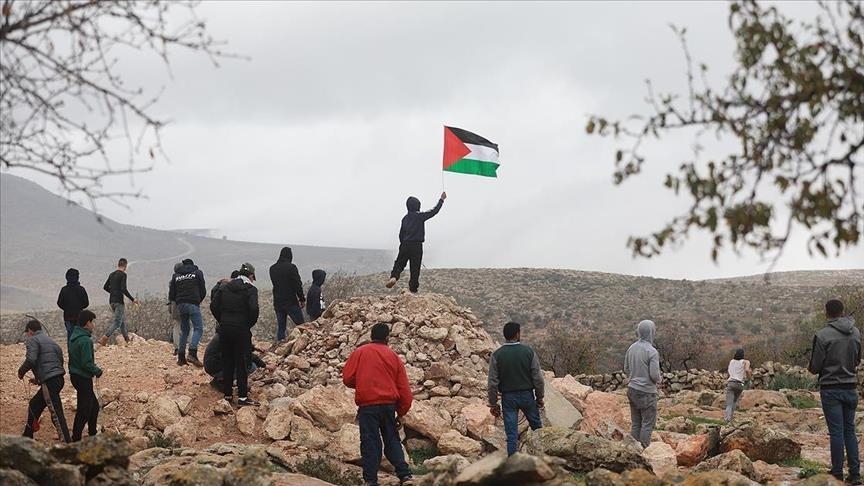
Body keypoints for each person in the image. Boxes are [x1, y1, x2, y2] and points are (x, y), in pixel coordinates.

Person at [342, 323, 413, 486]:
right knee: (392, 439)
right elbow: (404, 389)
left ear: (371, 336)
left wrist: (362, 383)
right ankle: (405, 475)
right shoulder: (393, 356)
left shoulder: (360, 352)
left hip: (368, 406)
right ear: (387, 338)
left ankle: (371, 481)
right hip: (389, 406)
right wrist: (401, 412)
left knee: (370, 442)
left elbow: (347, 378)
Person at [808, 299, 860, 484]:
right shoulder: (856, 333)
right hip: (851, 388)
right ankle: (855, 474)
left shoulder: (822, 335)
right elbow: (857, 360)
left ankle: (837, 473)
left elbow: (814, 367)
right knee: (850, 431)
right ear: (843, 311)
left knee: (836, 432)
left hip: (830, 389)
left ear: (826, 313)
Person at [487, 321, 544, 456]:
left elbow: (492, 383)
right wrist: (540, 397)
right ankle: (544, 459)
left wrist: (493, 403)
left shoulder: (497, 355)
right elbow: (538, 378)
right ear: (517, 334)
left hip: (508, 398)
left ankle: (513, 465)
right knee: (537, 429)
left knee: (511, 434)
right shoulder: (529, 352)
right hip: (527, 396)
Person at [210, 263, 260, 406]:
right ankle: (243, 397)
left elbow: (213, 306)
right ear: (250, 275)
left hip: (225, 328)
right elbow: (254, 309)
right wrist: (247, 324)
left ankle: (227, 395)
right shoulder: (250, 289)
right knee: (242, 362)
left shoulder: (225, 287)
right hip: (241, 329)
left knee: (227, 360)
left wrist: (222, 319)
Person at [18, 319, 71, 443]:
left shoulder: (32, 340)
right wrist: (38, 379)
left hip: (50, 380)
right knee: (34, 405)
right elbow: (56, 361)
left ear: (30, 331)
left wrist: (21, 372)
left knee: (56, 413)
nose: (27, 335)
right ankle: (27, 436)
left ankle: (67, 442)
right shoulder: (52, 341)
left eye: (27, 333)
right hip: (57, 379)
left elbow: (31, 359)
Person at [386, 192, 446, 293]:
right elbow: (433, 211)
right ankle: (413, 289)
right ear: (417, 206)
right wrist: (441, 199)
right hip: (416, 245)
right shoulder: (420, 216)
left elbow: (401, 234)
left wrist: (403, 244)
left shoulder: (404, 219)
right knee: (415, 268)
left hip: (405, 244)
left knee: (399, 263)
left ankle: (394, 277)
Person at [624, 319, 661, 448]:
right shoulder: (652, 351)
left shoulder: (631, 348)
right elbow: (655, 376)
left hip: (632, 389)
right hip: (647, 392)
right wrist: (659, 380)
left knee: (636, 424)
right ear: (651, 332)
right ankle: (644, 452)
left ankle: (632, 451)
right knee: (647, 424)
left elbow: (626, 369)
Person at [68, 310, 103, 442]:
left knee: (93, 406)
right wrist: (97, 371)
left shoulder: (74, 336)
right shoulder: (85, 341)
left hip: (76, 376)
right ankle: (76, 438)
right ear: (87, 323)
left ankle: (93, 432)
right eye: (92, 322)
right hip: (83, 377)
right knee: (85, 408)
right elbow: (86, 363)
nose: (93, 325)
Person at [169, 258, 207, 367]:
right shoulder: (197, 273)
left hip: (180, 305)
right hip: (193, 303)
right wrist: (197, 300)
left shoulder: (176, 276)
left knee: (184, 330)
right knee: (198, 328)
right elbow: (203, 290)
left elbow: (172, 294)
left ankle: (181, 357)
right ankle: (192, 352)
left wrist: (179, 301)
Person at [203, 332, 271, 390]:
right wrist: (265, 366)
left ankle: (221, 379)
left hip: (212, 365)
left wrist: (254, 347)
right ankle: (221, 381)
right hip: (214, 367)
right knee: (250, 366)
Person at [99, 258, 137, 346]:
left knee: (122, 320)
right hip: (119, 301)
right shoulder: (123, 275)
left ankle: (127, 340)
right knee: (117, 322)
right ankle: (104, 338)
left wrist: (113, 292)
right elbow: (124, 289)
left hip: (111, 301)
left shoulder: (111, 274)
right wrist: (132, 299)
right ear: (125, 266)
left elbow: (105, 287)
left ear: (118, 264)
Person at [269, 247, 305, 340]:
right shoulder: (291, 267)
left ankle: (280, 347)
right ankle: (305, 344)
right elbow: (297, 284)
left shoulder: (272, 268)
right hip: (291, 301)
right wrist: (302, 299)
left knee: (281, 327)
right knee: (302, 325)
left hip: (278, 302)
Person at [57, 268, 89, 345]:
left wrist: (67, 308)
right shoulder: (81, 289)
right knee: (79, 335)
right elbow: (86, 303)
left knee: (70, 336)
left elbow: (59, 303)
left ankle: (71, 354)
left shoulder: (64, 290)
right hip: (79, 317)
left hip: (68, 317)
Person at [724, 348, 751, 424]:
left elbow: (729, 373)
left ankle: (727, 420)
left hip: (731, 383)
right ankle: (731, 419)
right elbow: (747, 370)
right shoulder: (746, 362)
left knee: (729, 404)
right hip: (740, 385)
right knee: (734, 402)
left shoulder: (731, 361)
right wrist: (749, 379)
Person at [168, 262, 182, 356]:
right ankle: (187, 346)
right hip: (183, 304)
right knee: (188, 326)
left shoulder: (172, 280)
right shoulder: (185, 279)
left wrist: (170, 307)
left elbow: (170, 296)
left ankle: (176, 347)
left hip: (174, 305)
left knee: (176, 326)